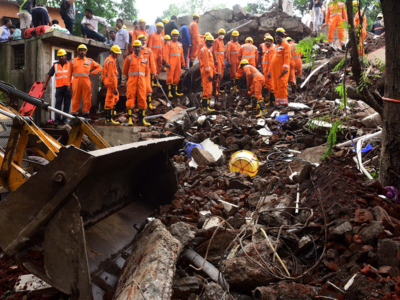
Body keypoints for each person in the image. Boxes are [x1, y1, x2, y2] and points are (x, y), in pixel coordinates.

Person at [66, 44, 102, 117]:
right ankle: (74, 113)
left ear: (86, 52)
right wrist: (68, 84)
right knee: (75, 97)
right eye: (81, 50)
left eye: (84, 51)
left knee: (87, 97)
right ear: (78, 51)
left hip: (86, 81)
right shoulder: (73, 61)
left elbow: (99, 67)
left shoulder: (89, 61)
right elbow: (69, 73)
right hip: (76, 81)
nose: (82, 52)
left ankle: (86, 112)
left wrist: (92, 73)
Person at [122, 40, 150, 126]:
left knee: (142, 99)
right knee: (130, 99)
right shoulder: (129, 58)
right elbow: (125, 71)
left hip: (141, 82)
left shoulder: (145, 59)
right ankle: (130, 120)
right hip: (132, 82)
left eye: (138, 47)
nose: (137, 49)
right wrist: (131, 78)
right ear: (132, 48)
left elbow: (146, 71)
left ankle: (142, 120)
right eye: (135, 47)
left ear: (141, 47)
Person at [42, 49, 71, 125]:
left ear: (65, 56)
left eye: (62, 56)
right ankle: (57, 120)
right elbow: (49, 74)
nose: (61, 57)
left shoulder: (70, 64)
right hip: (59, 87)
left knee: (67, 104)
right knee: (58, 104)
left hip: (68, 87)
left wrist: (70, 85)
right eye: (59, 56)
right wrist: (45, 83)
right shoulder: (55, 65)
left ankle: (64, 119)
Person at [270, 28, 291, 108]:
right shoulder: (277, 46)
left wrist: (285, 68)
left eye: (278, 38)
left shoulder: (286, 45)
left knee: (282, 85)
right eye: (276, 38)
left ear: (282, 37)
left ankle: (284, 103)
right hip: (276, 70)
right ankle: (278, 102)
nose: (277, 39)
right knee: (276, 85)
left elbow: (287, 57)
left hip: (282, 69)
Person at [102, 45, 122, 125]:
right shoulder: (110, 61)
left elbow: (104, 73)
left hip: (109, 83)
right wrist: (114, 87)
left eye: (118, 53)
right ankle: (109, 119)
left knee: (112, 100)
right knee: (110, 101)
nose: (118, 55)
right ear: (112, 52)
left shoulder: (110, 60)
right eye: (116, 53)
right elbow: (111, 75)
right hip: (111, 84)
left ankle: (110, 117)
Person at [164, 29, 186, 98]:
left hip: (178, 63)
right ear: (172, 36)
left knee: (177, 77)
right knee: (170, 77)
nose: (175, 37)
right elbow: (166, 54)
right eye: (174, 36)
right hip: (171, 62)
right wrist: (167, 62)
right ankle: (169, 93)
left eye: (176, 36)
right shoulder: (169, 43)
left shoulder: (180, 44)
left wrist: (183, 63)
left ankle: (175, 92)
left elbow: (182, 54)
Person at [138, 34, 157, 110]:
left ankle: (149, 105)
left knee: (148, 88)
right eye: (141, 40)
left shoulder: (148, 50)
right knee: (140, 89)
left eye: (144, 40)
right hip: (139, 73)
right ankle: (142, 105)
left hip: (146, 72)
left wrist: (154, 72)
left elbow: (152, 62)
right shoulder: (136, 51)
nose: (143, 41)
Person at [199, 35, 216, 113]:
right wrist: (209, 74)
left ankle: (207, 106)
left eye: (212, 42)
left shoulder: (209, 49)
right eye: (210, 42)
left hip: (209, 71)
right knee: (206, 89)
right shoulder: (205, 50)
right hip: (206, 72)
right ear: (206, 42)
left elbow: (211, 63)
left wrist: (215, 72)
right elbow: (206, 64)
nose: (211, 43)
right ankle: (204, 108)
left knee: (209, 89)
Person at [112, 19, 129, 87]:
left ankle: (123, 81)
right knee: (117, 67)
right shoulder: (117, 32)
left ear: (121, 23)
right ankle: (118, 81)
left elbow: (126, 41)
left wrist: (125, 51)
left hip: (122, 51)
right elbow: (116, 42)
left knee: (122, 67)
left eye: (118, 22)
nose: (116, 23)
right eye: (116, 22)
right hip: (116, 52)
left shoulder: (124, 31)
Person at [261, 35, 276, 106]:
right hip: (266, 71)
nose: (267, 42)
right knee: (269, 85)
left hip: (268, 71)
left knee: (270, 86)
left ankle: (272, 102)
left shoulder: (271, 49)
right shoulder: (269, 49)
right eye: (266, 41)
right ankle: (271, 101)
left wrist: (269, 71)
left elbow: (271, 61)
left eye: (268, 41)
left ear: (272, 42)